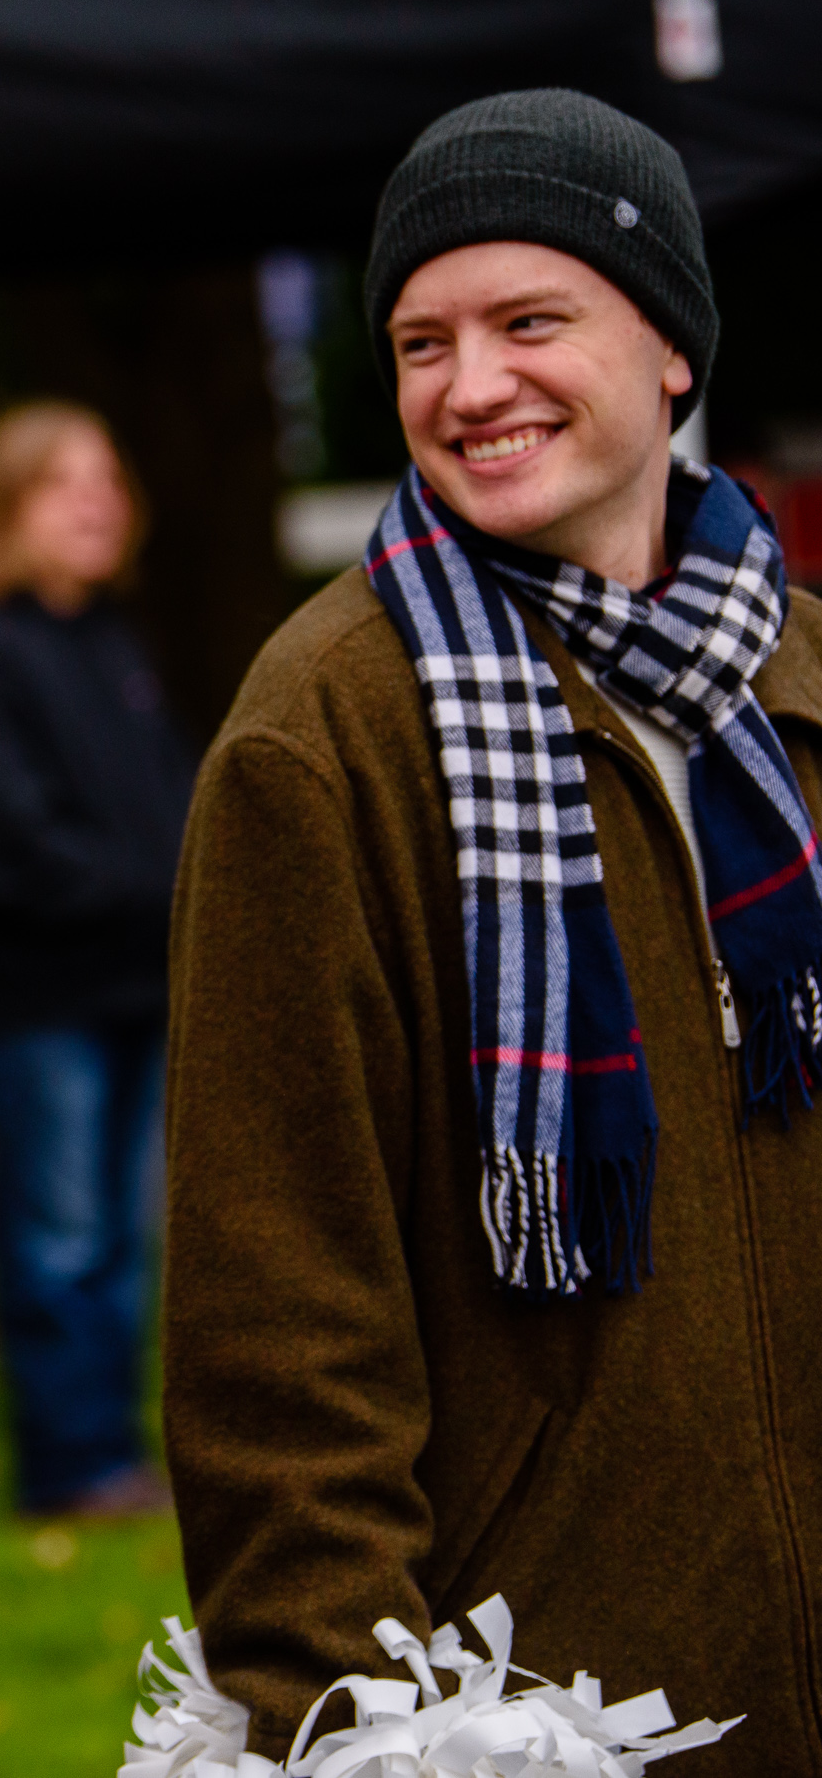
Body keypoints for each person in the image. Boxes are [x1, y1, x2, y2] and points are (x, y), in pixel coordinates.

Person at [168, 87, 822, 1762]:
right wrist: (357, 1723)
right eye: (419, 339)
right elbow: (278, 1331)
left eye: (531, 320)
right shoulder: (323, 735)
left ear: (672, 345)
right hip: (560, 1702)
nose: (471, 386)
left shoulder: (805, 673)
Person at [0, 403, 191, 1518]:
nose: (97, 502)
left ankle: (113, 1454)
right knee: (58, 1234)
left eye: (108, 480)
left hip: (135, 987)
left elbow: (169, 808)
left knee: (123, 1237)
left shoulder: (109, 644)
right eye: (66, 483)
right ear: (7, 507)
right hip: (39, 999)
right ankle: (69, 1467)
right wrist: (153, 895)